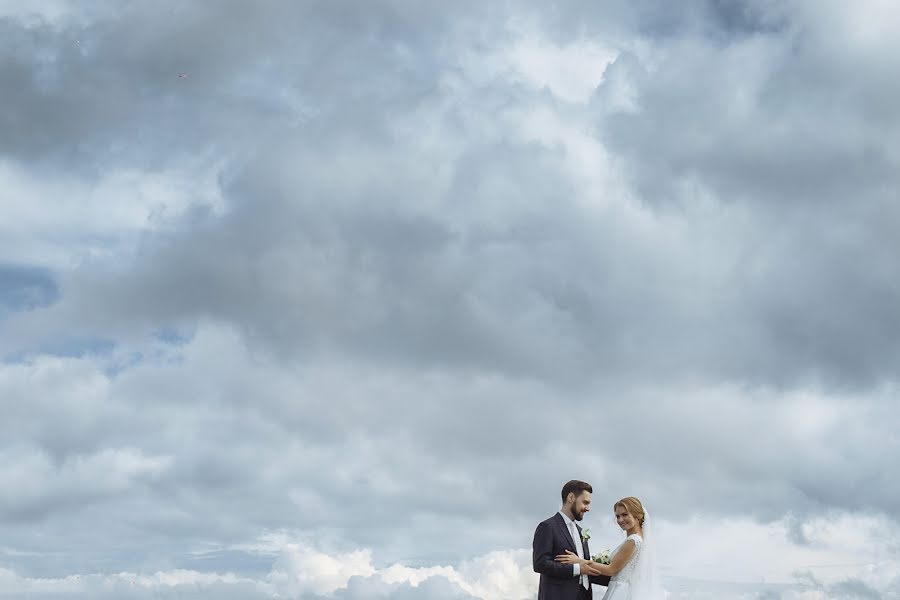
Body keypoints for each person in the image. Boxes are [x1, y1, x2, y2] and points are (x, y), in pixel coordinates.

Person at [555, 496, 664, 600]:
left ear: (638, 516)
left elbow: (611, 570)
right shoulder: (638, 539)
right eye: (617, 516)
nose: (620, 520)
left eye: (625, 515)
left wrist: (579, 561)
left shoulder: (633, 541)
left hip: (621, 592)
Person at [532, 480, 611, 600]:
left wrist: (617, 578)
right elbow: (540, 564)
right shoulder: (548, 527)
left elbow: (586, 568)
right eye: (585, 502)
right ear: (571, 497)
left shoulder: (581, 531)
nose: (588, 508)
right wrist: (578, 568)